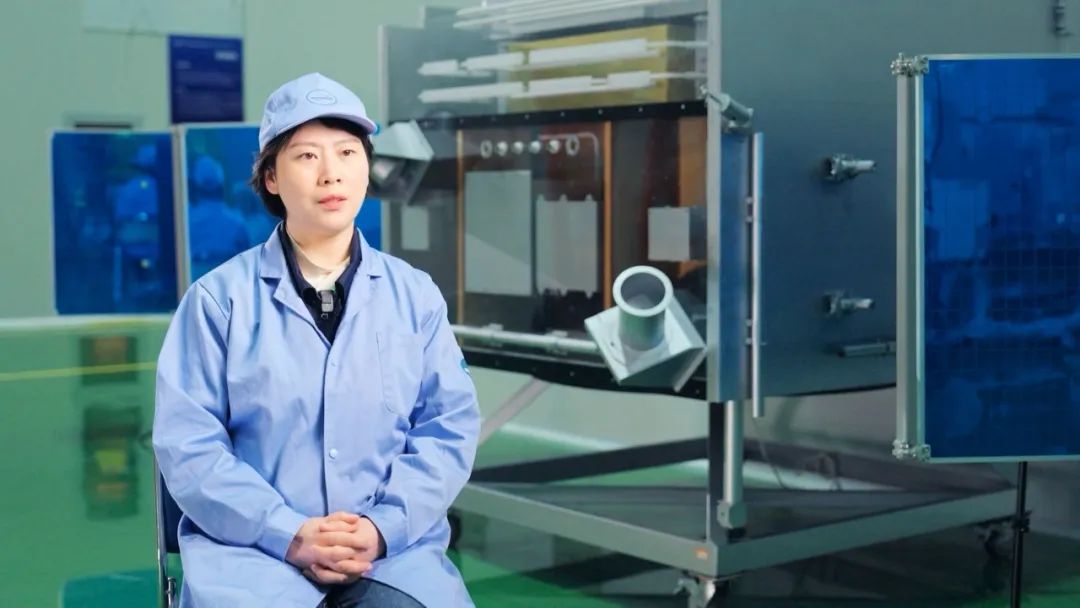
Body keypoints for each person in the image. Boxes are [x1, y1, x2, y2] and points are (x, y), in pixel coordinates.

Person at [153, 72, 480, 607]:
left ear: (367, 168)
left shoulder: (415, 296)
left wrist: (380, 527)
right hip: (251, 555)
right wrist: (287, 532)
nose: (332, 173)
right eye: (307, 156)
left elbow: (448, 429)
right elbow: (189, 446)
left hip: (389, 554)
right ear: (271, 178)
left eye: (347, 153)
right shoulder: (218, 302)